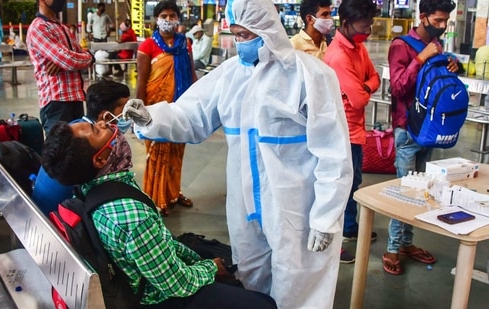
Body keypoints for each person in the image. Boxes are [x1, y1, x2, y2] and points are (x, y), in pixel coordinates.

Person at [124, 0, 353, 307]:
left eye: (247, 34)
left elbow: (333, 153)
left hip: (296, 206)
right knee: (250, 277)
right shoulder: (231, 75)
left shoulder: (311, 76)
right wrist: (152, 119)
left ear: (267, 29)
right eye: (236, 35)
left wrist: (326, 217)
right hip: (245, 207)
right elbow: (193, 114)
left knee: (298, 283)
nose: (241, 43)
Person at [41, 120, 278, 309]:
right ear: (101, 159)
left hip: (149, 272)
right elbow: (176, 284)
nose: (104, 124)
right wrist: (211, 269)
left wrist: (197, 258)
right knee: (262, 304)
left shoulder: (91, 186)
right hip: (156, 297)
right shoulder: (131, 216)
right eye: (95, 129)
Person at [384, 0, 458, 275]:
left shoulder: (437, 46)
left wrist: (449, 66)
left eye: (445, 22)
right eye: (438, 21)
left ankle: (407, 243)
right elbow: (399, 87)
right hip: (407, 129)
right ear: (423, 17)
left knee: (422, 190)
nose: (442, 26)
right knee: (404, 191)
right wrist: (421, 58)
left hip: (429, 129)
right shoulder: (401, 46)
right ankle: (392, 248)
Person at [290, 0, 355, 264]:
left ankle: (329, 236)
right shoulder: (294, 47)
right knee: (306, 189)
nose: (330, 19)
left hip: (329, 122)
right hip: (303, 129)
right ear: (309, 18)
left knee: (332, 180)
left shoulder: (328, 46)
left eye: (330, 14)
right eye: (325, 15)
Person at [324, 0, 380, 260]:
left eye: (369, 27)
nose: (367, 33)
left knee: (353, 182)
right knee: (341, 185)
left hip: (356, 130)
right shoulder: (338, 55)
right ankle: (336, 240)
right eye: (363, 27)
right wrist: (363, 88)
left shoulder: (358, 47)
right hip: (342, 132)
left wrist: (363, 86)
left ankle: (349, 227)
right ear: (345, 24)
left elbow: (375, 78)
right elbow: (357, 99)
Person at [32, 80, 133, 215]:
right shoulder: (83, 150)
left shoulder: (76, 129)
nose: (131, 115)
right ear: (106, 116)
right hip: (57, 222)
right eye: (126, 110)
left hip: (43, 213)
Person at [136, 0, 197, 216]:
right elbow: (141, 82)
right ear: (156, 19)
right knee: (157, 154)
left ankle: (173, 193)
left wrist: (196, 101)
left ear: (178, 19)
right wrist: (139, 113)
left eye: (172, 15)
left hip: (180, 109)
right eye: (164, 16)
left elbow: (191, 73)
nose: (168, 20)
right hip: (156, 110)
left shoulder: (185, 44)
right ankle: (155, 199)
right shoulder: (147, 46)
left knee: (176, 153)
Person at [26, 0, 94, 135]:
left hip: (75, 98)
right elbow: (69, 61)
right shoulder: (39, 28)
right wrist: (89, 58)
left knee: (77, 150)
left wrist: (84, 57)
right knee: (60, 151)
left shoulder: (63, 28)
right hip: (56, 103)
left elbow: (76, 55)